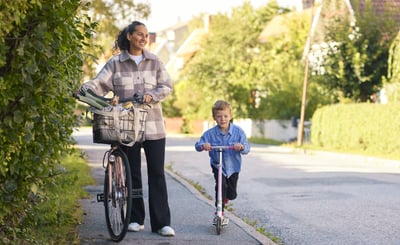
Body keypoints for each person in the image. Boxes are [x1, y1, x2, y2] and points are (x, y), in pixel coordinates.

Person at [78, 21, 175, 236]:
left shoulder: (154, 61)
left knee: (157, 173)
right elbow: (99, 83)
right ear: (129, 36)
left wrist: (153, 95)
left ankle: (161, 223)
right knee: (133, 174)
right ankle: (135, 218)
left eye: (146, 35)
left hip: (154, 127)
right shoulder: (115, 63)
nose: (144, 38)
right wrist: (85, 89)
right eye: (139, 34)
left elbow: (166, 85)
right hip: (127, 127)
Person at [194, 100, 250, 225]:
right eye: (219, 116)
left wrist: (240, 146)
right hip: (217, 165)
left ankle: (226, 197)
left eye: (225, 116)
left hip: (233, 167)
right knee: (220, 185)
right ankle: (219, 211)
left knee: (232, 193)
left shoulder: (238, 132)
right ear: (214, 118)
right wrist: (204, 145)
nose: (222, 119)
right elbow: (198, 145)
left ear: (230, 116)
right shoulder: (210, 133)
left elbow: (247, 148)